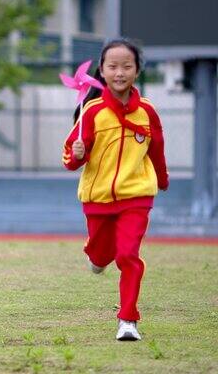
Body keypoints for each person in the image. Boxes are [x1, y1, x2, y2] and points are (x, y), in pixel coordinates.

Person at [62, 39, 168, 341]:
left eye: (127, 66)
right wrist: (79, 153)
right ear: (102, 71)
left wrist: (161, 179)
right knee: (100, 255)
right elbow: (70, 159)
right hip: (98, 199)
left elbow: (157, 150)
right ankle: (96, 256)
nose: (119, 72)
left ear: (137, 71)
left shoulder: (147, 112)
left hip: (137, 196)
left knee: (128, 255)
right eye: (113, 66)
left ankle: (128, 320)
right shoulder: (92, 112)